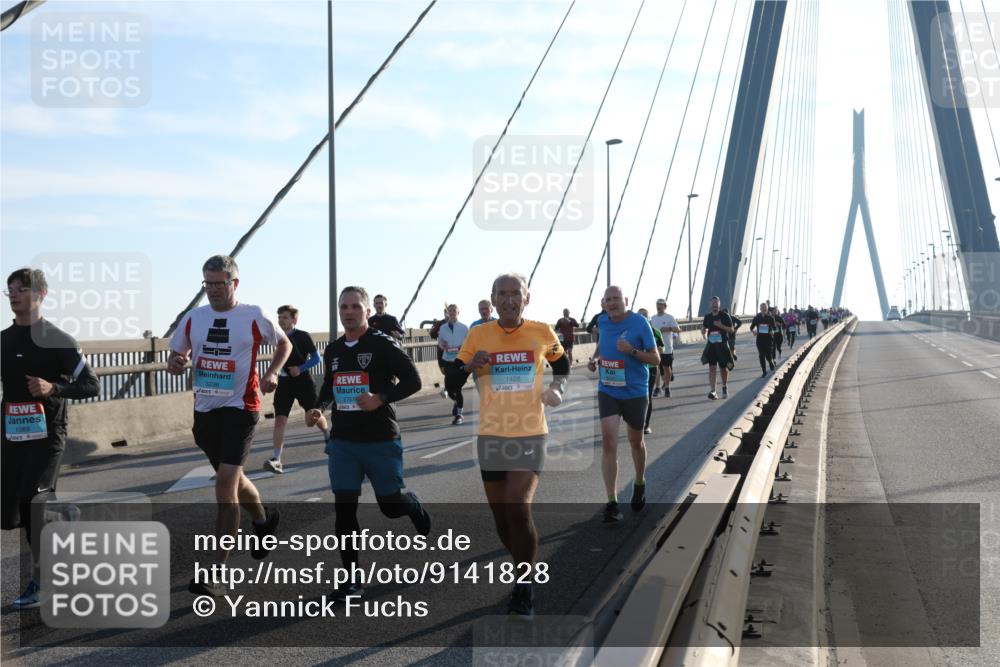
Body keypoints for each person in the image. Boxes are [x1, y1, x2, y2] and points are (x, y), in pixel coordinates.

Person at [447, 273, 568, 617]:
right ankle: (523, 565)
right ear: (494, 299)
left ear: (527, 298)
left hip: (530, 432)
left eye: (516, 293)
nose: (509, 299)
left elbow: (562, 364)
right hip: (491, 435)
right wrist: (471, 365)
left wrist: (557, 389)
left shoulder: (542, 332)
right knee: (501, 518)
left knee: (517, 506)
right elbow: (452, 379)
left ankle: (524, 584)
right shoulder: (478, 334)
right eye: (503, 294)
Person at [168, 255, 290, 596]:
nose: (213, 290)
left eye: (219, 284)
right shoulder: (193, 318)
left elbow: (284, 342)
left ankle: (217, 572)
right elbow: (176, 355)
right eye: (207, 284)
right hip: (205, 412)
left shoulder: (253, 315)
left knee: (224, 487)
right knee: (234, 480)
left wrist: (272, 372)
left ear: (234, 283)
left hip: (241, 408)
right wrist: (175, 362)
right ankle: (264, 520)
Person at [306, 286, 430, 600]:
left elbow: (414, 380)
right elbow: (331, 386)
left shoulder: (382, 343)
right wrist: (319, 407)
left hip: (380, 438)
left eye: (355, 307)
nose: (348, 312)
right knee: (344, 509)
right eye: (343, 307)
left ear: (367, 312)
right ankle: (352, 579)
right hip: (343, 442)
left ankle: (411, 504)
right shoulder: (334, 350)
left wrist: (381, 397)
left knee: (390, 506)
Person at [2, 268, 100, 609]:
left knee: (33, 501)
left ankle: (42, 582)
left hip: (48, 434)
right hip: (12, 433)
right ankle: (63, 515)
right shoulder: (3, 340)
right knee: (11, 512)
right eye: (10, 290)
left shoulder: (58, 340)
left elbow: (91, 385)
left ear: (41, 294)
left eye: (21, 289)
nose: (14, 295)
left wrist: (53, 387)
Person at [587, 287, 659, 523]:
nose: (612, 303)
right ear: (603, 303)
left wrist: (632, 351)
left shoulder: (639, 323)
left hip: (635, 391)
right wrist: (594, 358)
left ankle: (639, 482)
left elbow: (655, 358)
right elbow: (602, 343)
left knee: (635, 441)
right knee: (608, 442)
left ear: (625, 300)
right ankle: (612, 502)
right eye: (607, 299)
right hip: (608, 389)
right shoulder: (602, 321)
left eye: (616, 298)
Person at [265, 305, 327, 474]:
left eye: (285, 317)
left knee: (312, 416)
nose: (281, 320)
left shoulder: (303, 336)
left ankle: (327, 434)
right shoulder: (277, 337)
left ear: (294, 319)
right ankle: (277, 459)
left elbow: (316, 358)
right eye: (279, 317)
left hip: (303, 381)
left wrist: (300, 368)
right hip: (284, 383)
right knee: (280, 419)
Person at [437, 305, 469, 425]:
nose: (451, 313)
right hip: (447, 360)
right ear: (447, 313)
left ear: (458, 312)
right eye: (449, 311)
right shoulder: (443, 328)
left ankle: (459, 414)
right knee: (449, 389)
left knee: (457, 388)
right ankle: (456, 401)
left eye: (454, 311)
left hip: (460, 360)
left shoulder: (464, 328)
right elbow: (440, 342)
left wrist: (462, 347)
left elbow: (469, 342)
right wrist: (443, 345)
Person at [700, 296, 735, 400]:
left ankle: (724, 386)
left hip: (722, 346)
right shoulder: (707, 317)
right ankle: (713, 391)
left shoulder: (724, 316)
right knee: (712, 368)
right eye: (713, 303)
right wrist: (703, 330)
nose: (715, 304)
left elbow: (731, 330)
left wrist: (721, 326)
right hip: (711, 346)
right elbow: (704, 327)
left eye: (716, 303)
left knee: (723, 368)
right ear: (710, 305)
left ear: (719, 304)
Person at [636, 309, 664, 435]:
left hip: (651, 367)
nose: (642, 318)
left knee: (647, 396)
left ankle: (646, 425)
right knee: (634, 397)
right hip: (636, 368)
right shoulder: (632, 332)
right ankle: (636, 422)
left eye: (644, 316)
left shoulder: (655, 332)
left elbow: (662, 348)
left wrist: (654, 350)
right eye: (639, 316)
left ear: (648, 318)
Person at [650, 299, 680, 398]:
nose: (658, 306)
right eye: (657, 304)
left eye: (661, 305)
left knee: (666, 368)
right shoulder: (653, 318)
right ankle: (657, 387)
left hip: (667, 347)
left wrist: (669, 328)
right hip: (656, 348)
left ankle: (667, 387)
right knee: (656, 368)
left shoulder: (669, 317)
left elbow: (678, 329)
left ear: (665, 307)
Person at [750, 302, 777, 377]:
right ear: (760, 308)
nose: (764, 309)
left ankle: (770, 362)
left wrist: (772, 331)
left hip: (768, 339)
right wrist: (754, 331)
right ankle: (764, 371)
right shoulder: (757, 317)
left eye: (765, 308)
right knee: (761, 355)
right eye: (762, 308)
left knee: (768, 354)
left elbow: (774, 328)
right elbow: (751, 327)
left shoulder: (770, 318)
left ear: (767, 309)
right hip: (760, 339)